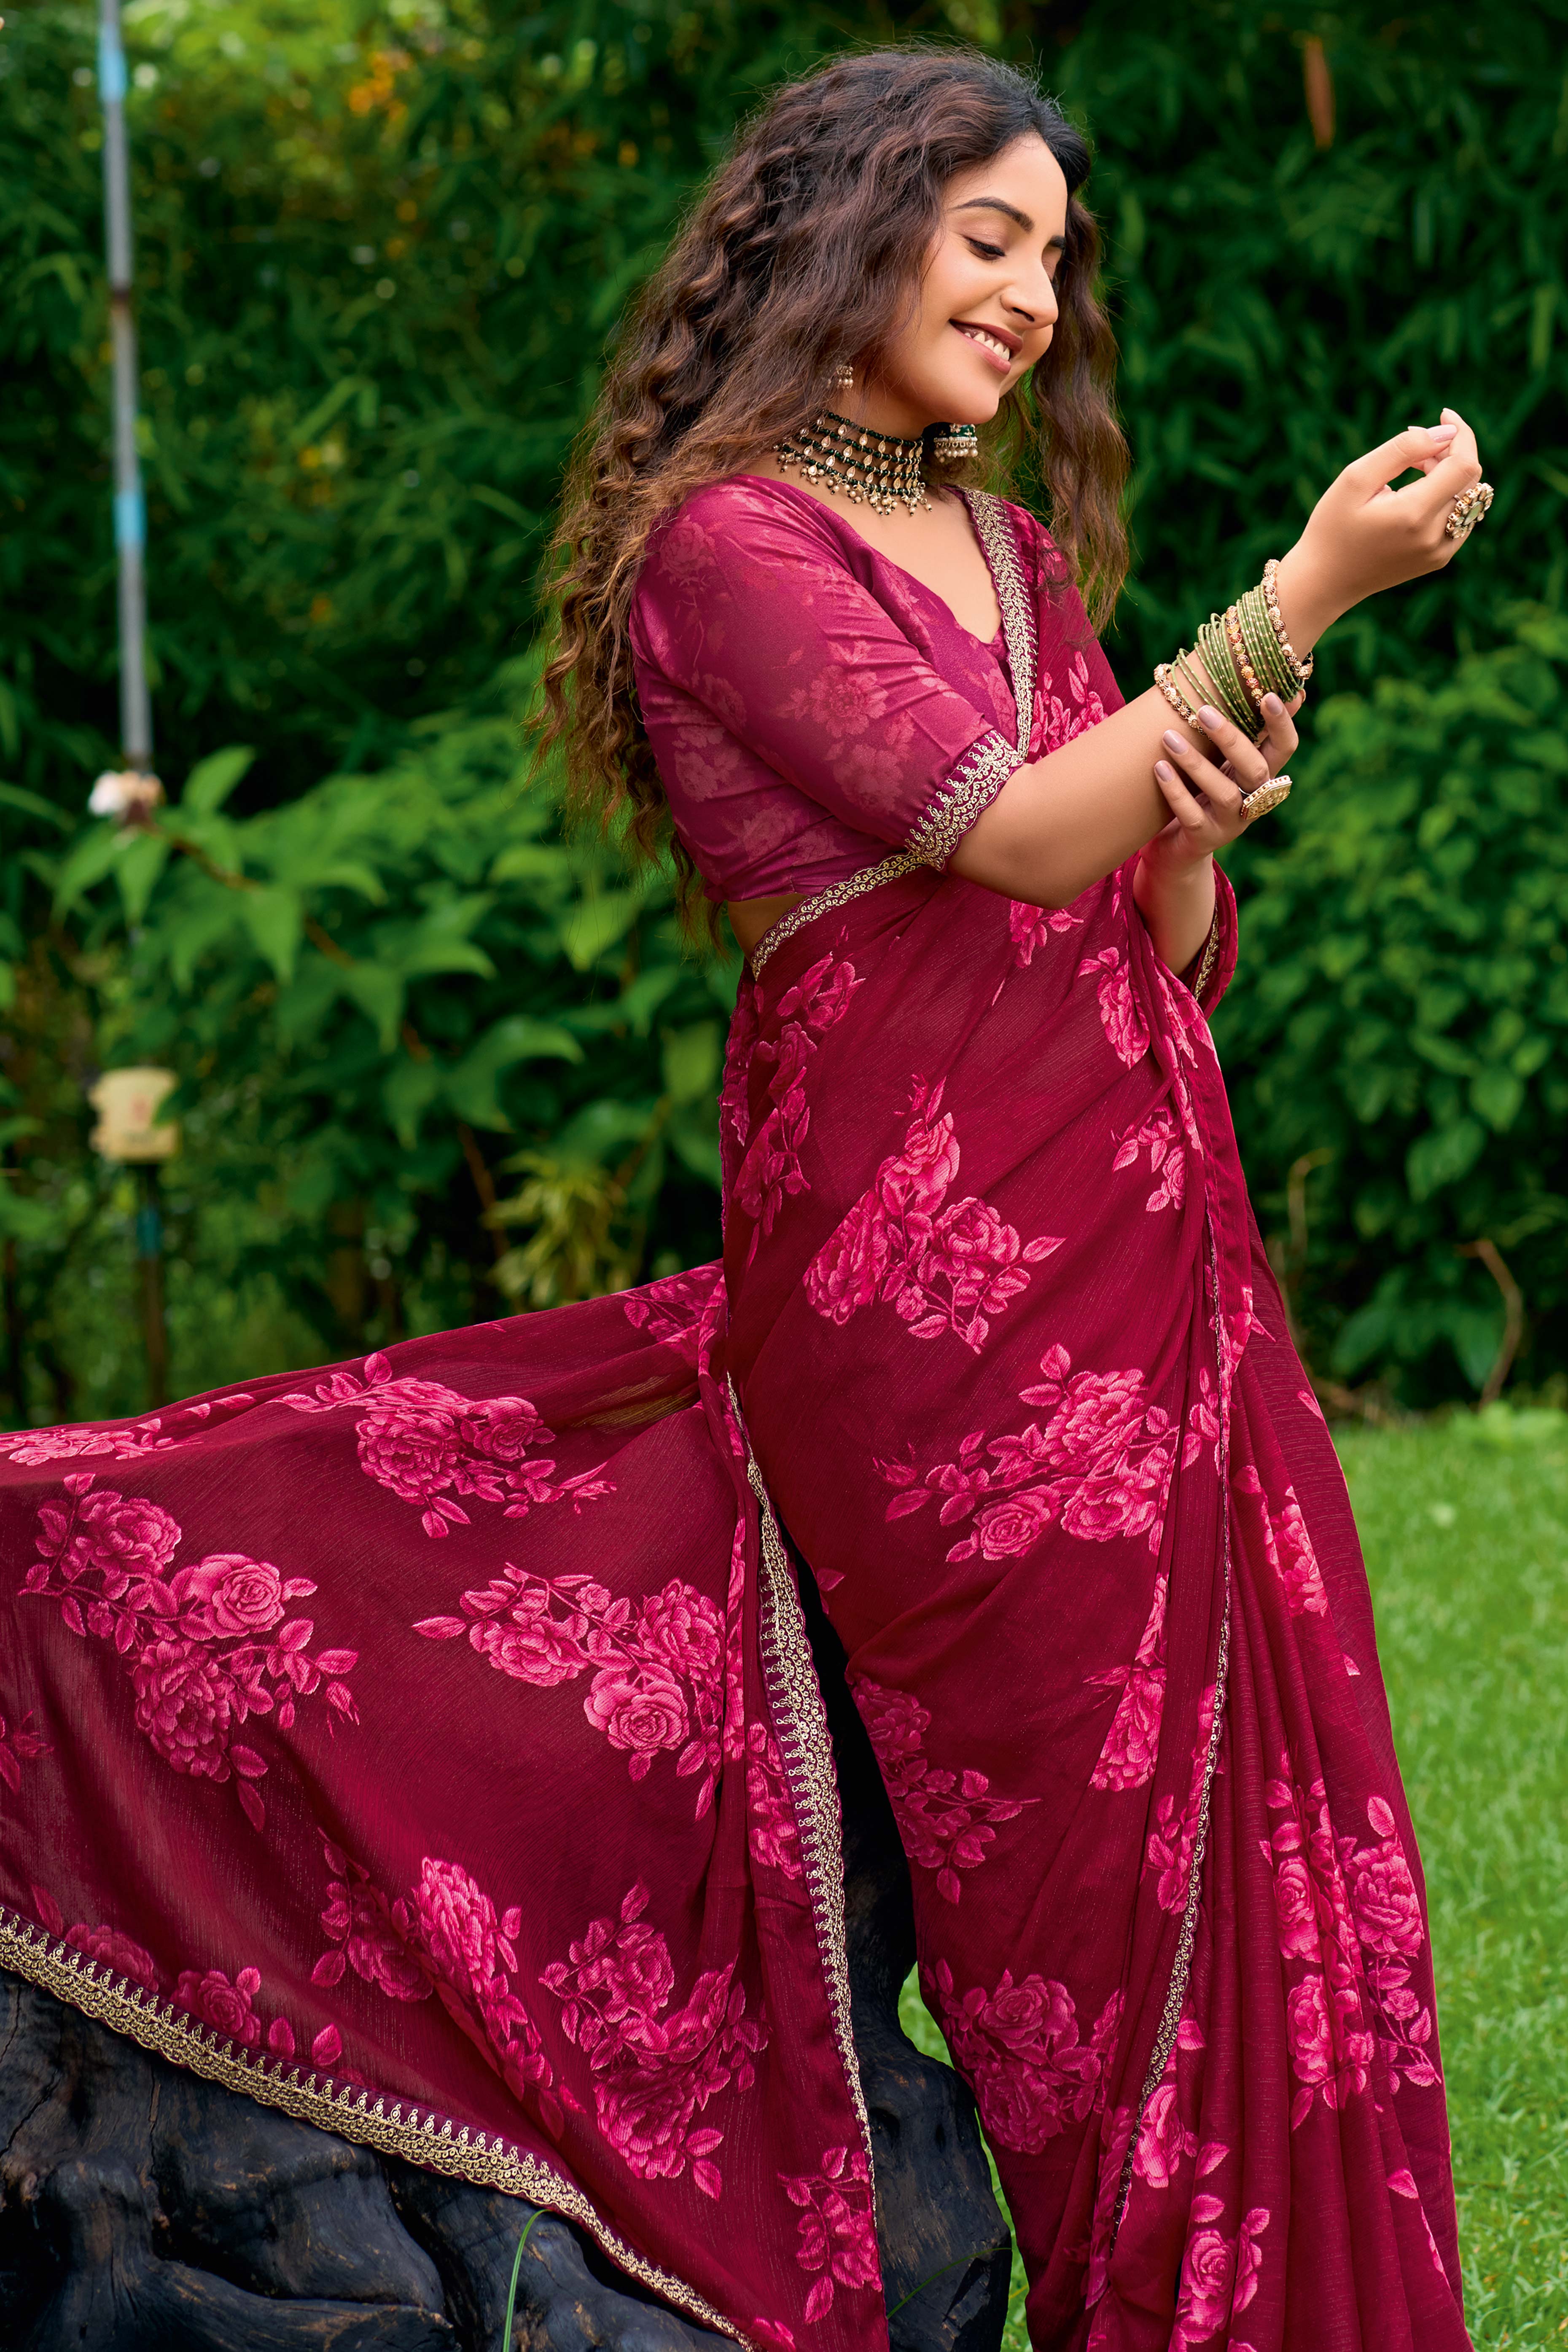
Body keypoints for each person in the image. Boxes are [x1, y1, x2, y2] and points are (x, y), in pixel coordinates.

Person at [0, 45, 1486, 2352]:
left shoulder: (1003, 549)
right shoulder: (729, 548)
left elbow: (1140, 929)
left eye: (1050, 260)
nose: (1023, 294)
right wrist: (1304, 586)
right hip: (930, 1295)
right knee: (1075, 1903)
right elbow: (995, 833)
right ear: (839, 230)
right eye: (981, 237)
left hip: (1140, 1232)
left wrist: (1188, 827)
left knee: (1252, 1848)